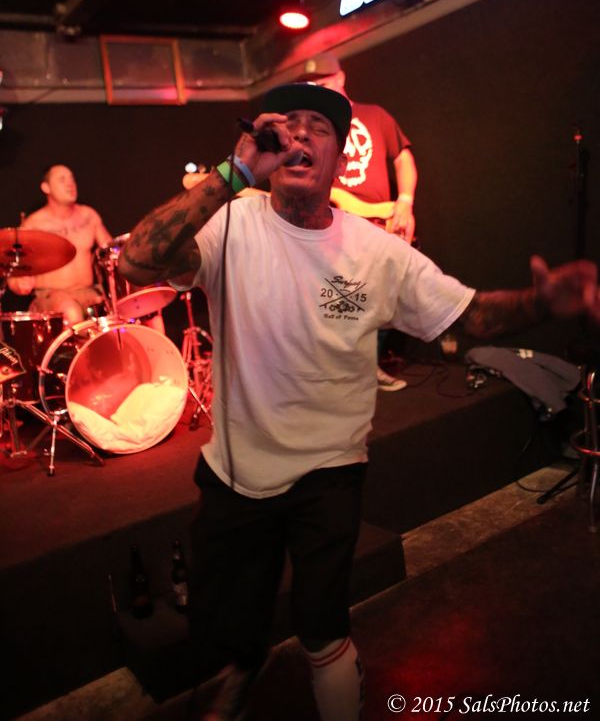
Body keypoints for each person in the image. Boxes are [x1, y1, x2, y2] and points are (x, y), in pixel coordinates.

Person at [118, 84, 599, 721]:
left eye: (317, 127)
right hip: (237, 471)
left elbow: (472, 315)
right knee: (226, 614)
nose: (298, 135)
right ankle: (243, 665)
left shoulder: (378, 253)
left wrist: (543, 302)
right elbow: (137, 263)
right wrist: (235, 171)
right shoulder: (231, 224)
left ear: (340, 159)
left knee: (322, 624)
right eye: (286, 124)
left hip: (329, 470)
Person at [299, 52, 418, 391]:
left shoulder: (374, 115)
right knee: (339, 304)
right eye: (311, 85)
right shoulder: (309, 130)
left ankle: (367, 368)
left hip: (379, 223)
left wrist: (404, 202)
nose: (319, 90)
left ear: (341, 78)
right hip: (333, 227)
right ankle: (346, 374)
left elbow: (403, 159)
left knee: (386, 300)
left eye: (324, 82)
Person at [8, 164, 112, 325]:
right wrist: (19, 284)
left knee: (120, 307)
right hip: (52, 296)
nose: (70, 184)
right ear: (46, 187)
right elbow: (13, 275)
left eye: (72, 179)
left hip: (88, 292)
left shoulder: (89, 215)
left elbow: (112, 253)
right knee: (71, 311)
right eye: (62, 180)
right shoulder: (34, 224)